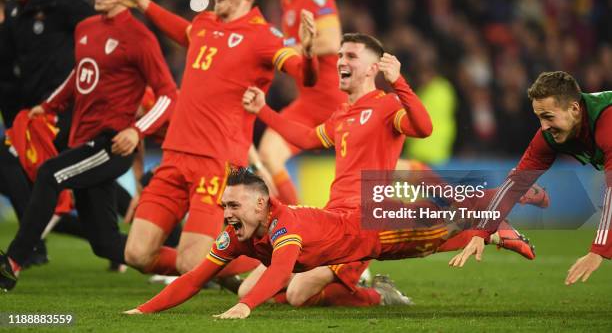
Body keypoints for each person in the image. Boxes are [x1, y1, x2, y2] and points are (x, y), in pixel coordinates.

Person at [238, 33, 534, 309]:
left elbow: (424, 128)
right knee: (249, 290)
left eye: (351, 56)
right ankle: (366, 284)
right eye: (341, 55)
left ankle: (377, 295)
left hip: (366, 219)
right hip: (333, 215)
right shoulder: (342, 114)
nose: (341, 61)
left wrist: (399, 83)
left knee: (298, 294)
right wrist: (263, 110)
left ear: (372, 68)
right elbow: (306, 138)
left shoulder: (387, 105)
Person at [102, 0, 318, 277]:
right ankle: (224, 272)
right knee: (136, 253)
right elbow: (183, 31)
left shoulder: (264, 36)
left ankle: (286, 265)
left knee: (192, 262)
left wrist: (310, 53)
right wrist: (142, 2)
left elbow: (305, 75)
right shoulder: (204, 24)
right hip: (174, 157)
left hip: (215, 163)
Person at [123, 168, 532, 319]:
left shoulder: (286, 228)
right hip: (355, 245)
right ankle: (498, 233)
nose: (226, 212)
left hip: (374, 229)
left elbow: (282, 270)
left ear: (262, 204)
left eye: (233, 204)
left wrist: (245, 306)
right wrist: (142, 311)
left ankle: (513, 196)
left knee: (443, 218)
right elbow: (195, 278)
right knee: (439, 237)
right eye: (224, 204)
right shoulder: (236, 234)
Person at [0, 0, 177, 290]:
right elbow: (78, 76)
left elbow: (169, 94)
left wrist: (136, 130)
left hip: (111, 143)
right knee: (106, 244)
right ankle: (194, 266)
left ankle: (11, 262)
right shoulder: (86, 28)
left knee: (51, 173)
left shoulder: (139, 37)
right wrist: (48, 106)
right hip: (83, 140)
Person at [450, 71, 612, 285]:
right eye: (539, 117)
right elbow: (516, 184)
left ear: (574, 109)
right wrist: (482, 231)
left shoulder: (607, 122)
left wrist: (598, 250)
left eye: (548, 116)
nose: (544, 127)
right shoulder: (550, 135)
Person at [0, 0, 95, 265]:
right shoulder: (17, 12)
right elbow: (9, 70)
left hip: (66, 111)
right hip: (35, 114)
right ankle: (127, 241)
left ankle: (29, 248)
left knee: (13, 165)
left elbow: (96, 37)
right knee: (91, 188)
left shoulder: (63, 3)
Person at [260, 0, 346, 205]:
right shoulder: (288, 1)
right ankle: (296, 226)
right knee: (269, 153)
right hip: (309, 104)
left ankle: (453, 202)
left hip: (337, 101)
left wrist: (289, 47)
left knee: (384, 171)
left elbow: (332, 41)